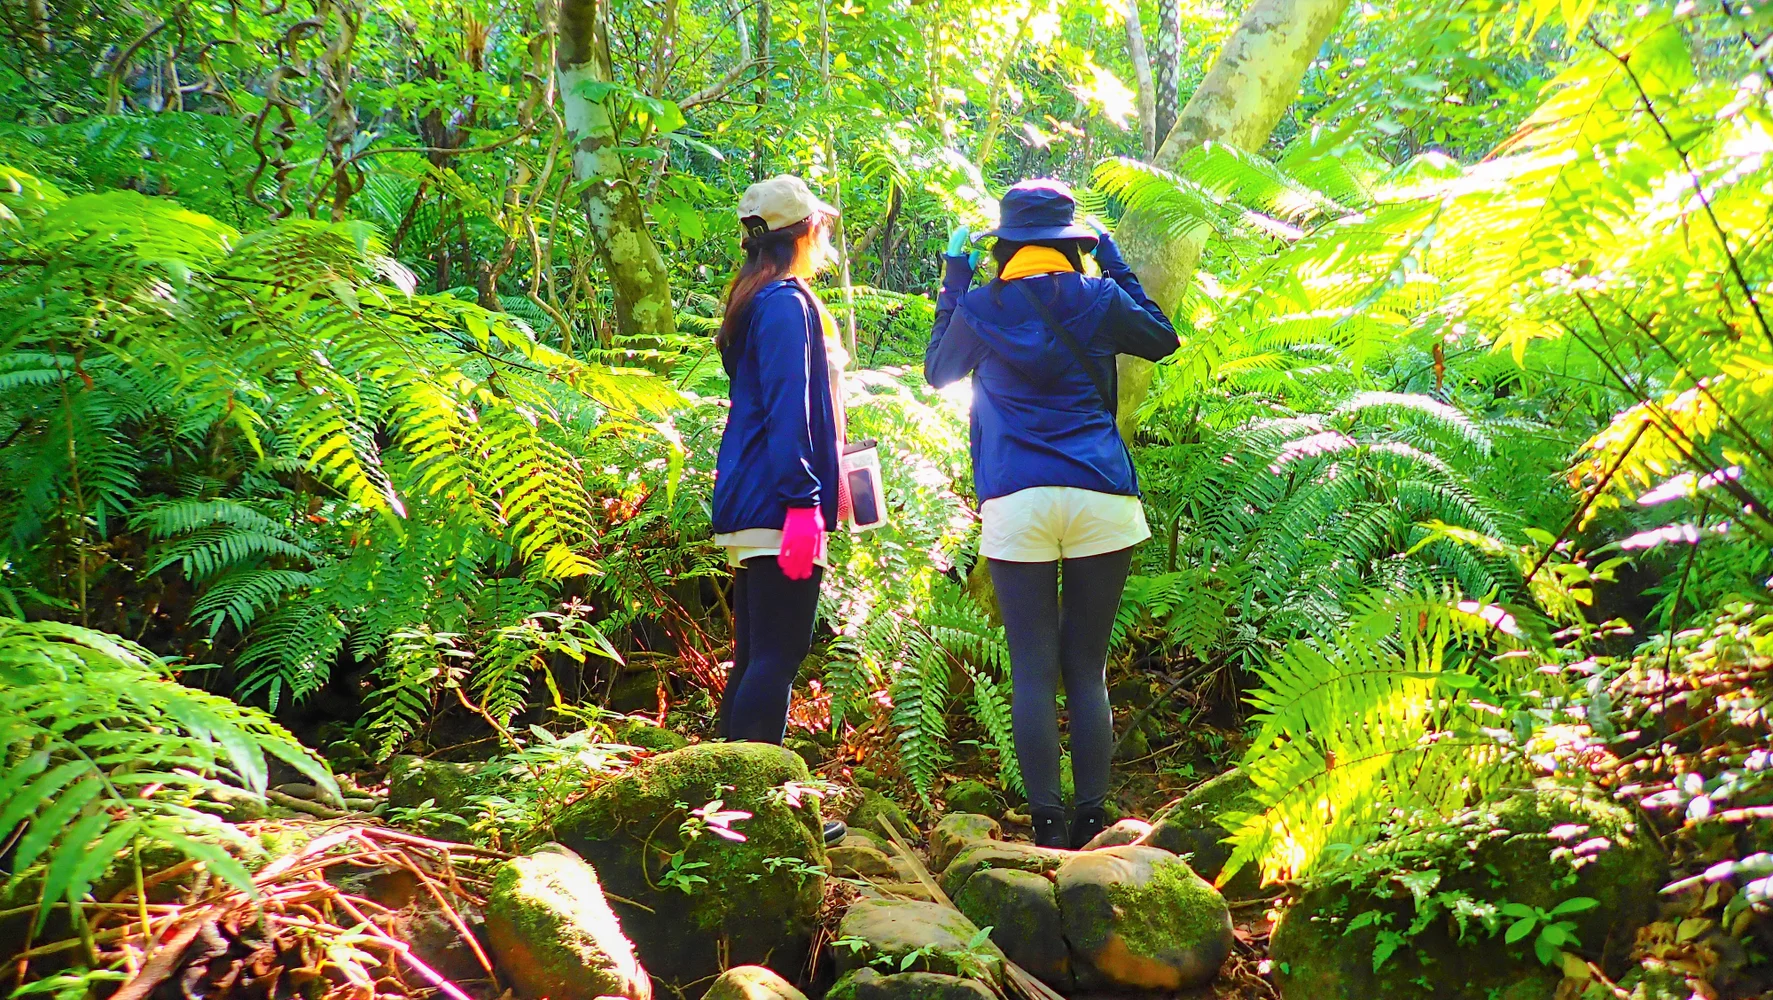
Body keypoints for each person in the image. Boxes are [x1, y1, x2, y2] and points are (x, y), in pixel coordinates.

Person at [925, 179, 1179, 849]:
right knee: (1086, 667)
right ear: (1075, 246)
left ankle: (1045, 830)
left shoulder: (982, 306)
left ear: (1004, 249)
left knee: (1032, 668)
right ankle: (1093, 820)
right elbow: (1160, 337)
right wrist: (1115, 260)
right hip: (1099, 494)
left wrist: (954, 275)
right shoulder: (1097, 297)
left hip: (1017, 497)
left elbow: (937, 373)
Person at [708, 175, 850, 846]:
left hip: (754, 495)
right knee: (778, 653)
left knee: (754, 654)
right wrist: (803, 501)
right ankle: (759, 810)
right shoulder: (786, 305)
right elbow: (789, 408)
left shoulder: (753, 301)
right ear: (807, 233)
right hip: (776, 499)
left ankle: (721, 799)